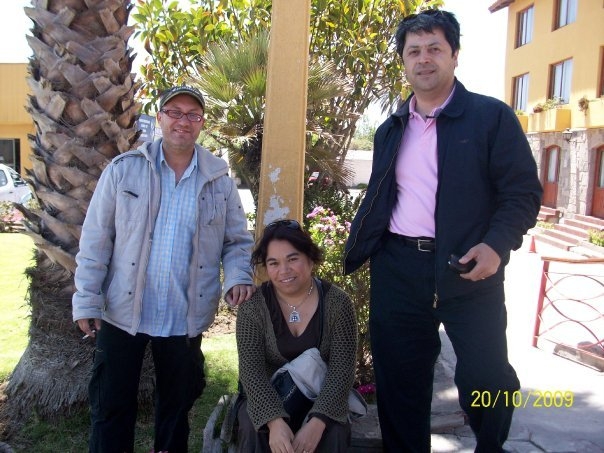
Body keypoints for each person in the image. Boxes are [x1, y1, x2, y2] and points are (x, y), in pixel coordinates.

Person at [343, 10, 542, 453]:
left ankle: (491, 446)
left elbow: (522, 192)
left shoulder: (490, 118)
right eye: (414, 51)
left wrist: (496, 245)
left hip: (469, 268)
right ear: (403, 61)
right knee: (399, 382)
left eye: (435, 48)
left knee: (488, 377)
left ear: (454, 55)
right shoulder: (390, 128)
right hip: (398, 268)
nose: (424, 58)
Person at [72, 85, 255, 453]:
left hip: (183, 316)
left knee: (175, 411)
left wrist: (238, 276)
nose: (183, 121)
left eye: (192, 114)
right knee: (111, 408)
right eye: (174, 112)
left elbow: (237, 241)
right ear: (159, 118)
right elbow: (96, 240)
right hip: (122, 311)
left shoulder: (219, 180)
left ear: (201, 123)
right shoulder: (124, 170)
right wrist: (87, 299)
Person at [235, 219, 358, 453]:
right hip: (267, 394)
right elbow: (251, 371)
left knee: (334, 431)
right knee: (254, 426)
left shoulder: (338, 303)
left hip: (320, 395)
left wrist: (318, 421)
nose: (284, 270)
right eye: (273, 263)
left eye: (292, 259)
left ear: (310, 259)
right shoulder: (252, 306)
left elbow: (342, 371)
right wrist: (274, 421)